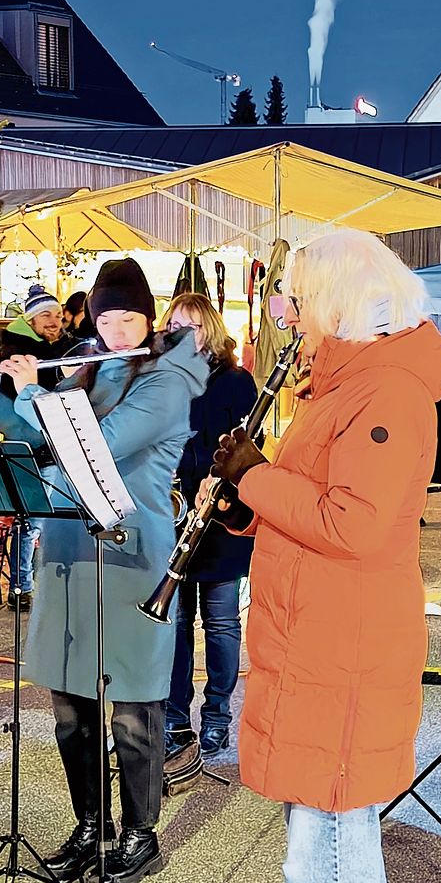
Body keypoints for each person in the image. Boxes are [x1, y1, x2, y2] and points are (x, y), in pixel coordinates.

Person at [209, 229, 441, 883]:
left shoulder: (383, 392)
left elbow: (353, 524)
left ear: (341, 301)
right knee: (339, 839)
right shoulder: (350, 383)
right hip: (322, 635)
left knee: (323, 848)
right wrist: (246, 496)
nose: (290, 315)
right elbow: (312, 500)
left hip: (341, 646)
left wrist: (252, 477)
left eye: (299, 298)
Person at [0, 258, 206, 883]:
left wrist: (32, 392)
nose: (116, 330)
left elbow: (98, 442)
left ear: (150, 318)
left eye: (130, 318)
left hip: (131, 548)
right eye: (107, 317)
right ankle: (92, 824)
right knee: (71, 700)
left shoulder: (168, 380)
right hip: (68, 544)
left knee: (134, 701)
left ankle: (140, 832)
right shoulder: (87, 367)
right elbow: (35, 439)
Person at [160, 293, 257, 756]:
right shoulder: (160, 377)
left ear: (211, 331)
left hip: (221, 514)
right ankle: (175, 718)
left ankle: (217, 715)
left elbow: (245, 448)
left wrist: (215, 477)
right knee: (174, 622)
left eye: (193, 326)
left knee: (220, 623)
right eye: (175, 324)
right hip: (174, 513)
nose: (184, 333)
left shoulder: (238, 381)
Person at [0, 284, 73, 611]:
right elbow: (17, 399)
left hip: (56, 445)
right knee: (32, 522)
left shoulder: (60, 347)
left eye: (58, 315)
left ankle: (39, 583)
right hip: (32, 444)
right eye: (46, 315)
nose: (55, 321)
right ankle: (21, 586)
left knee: (50, 519)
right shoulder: (20, 351)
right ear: (30, 320)